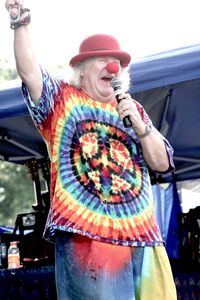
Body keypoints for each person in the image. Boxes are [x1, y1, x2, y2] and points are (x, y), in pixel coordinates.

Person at [5, 1, 177, 299]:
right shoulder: (62, 100)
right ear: (81, 71)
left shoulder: (132, 109)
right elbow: (30, 72)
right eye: (103, 59)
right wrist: (22, 23)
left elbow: (162, 164)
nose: (113, 66)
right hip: (89, 238)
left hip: (143, 238)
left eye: (117, 61)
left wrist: (141, 126)